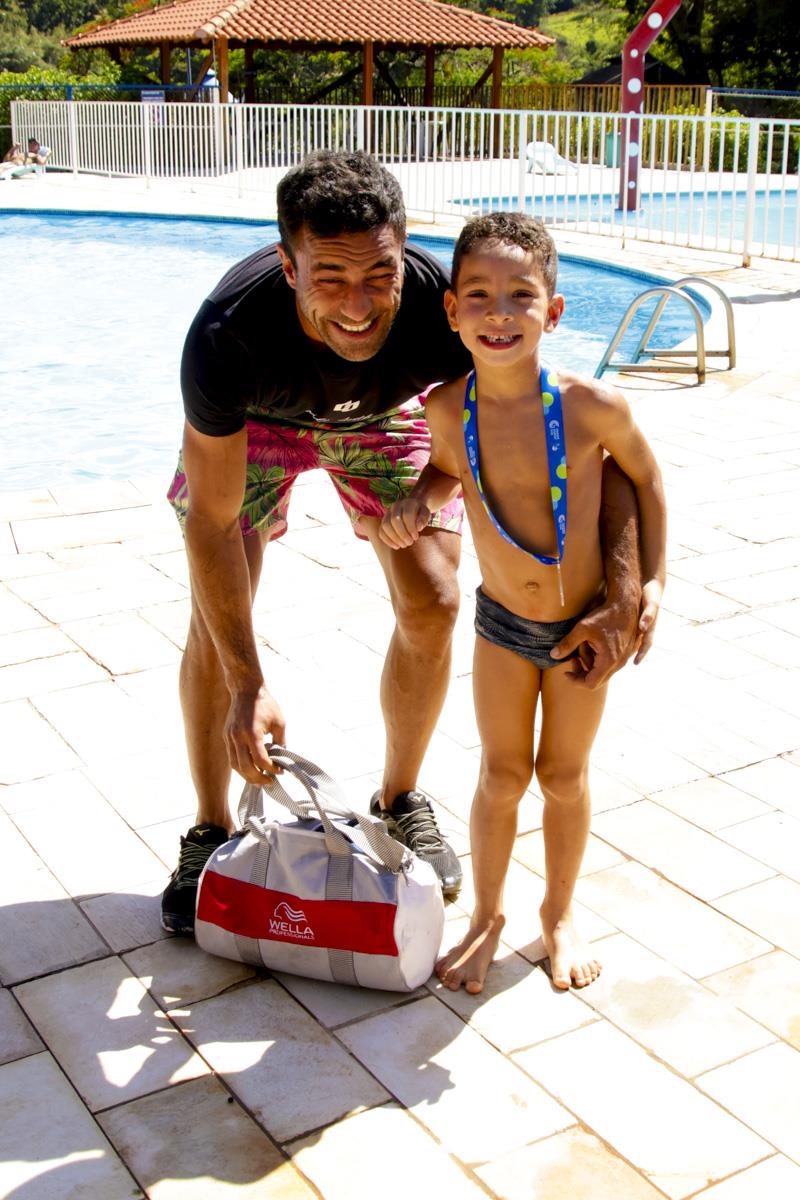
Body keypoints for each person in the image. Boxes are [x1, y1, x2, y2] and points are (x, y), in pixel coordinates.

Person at [161, 151, 646, 937]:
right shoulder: (227, 334)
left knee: (435, 600)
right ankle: (210, 829)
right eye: (330, 278)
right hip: (262, 422)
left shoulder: (442, 310)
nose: (358, 305)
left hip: (383, 418)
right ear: (288, 266)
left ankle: (398, 799)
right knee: (218, 624)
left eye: (378, 274)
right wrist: (249, 680)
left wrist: (626, 589)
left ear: (405, 251)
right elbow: (212, 525)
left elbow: (593, 447)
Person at [380, 212, 665, 992]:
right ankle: (487, 918)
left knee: (564, 777)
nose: (498, 313)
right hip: (502, 625)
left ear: (554, 309)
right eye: (477, 294)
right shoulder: (447, 408)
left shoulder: (591, 406)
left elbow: (646, 480)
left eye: (520, 295)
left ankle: (559, 916)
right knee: (501, 776)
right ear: (451, 310)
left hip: (581, 628)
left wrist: (652, 581)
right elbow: (449, 467)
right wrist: (420, 499)